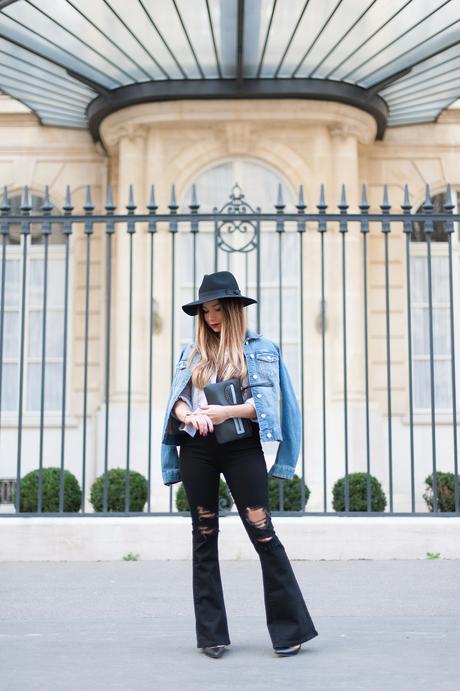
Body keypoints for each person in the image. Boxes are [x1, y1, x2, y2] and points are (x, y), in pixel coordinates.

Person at [161, 271, 319, 658]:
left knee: (263, 532)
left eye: (218, 309)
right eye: (205, 310)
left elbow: (270, 407)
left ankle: (290, 629)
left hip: (241, 447)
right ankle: (211, 635)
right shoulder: (191, 352)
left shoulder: (262, 349)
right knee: (204, 534)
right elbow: (177, 399)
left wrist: (222, 412)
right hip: (196, 447)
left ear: (234, 310)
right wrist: (188, 417)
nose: (211, 317)